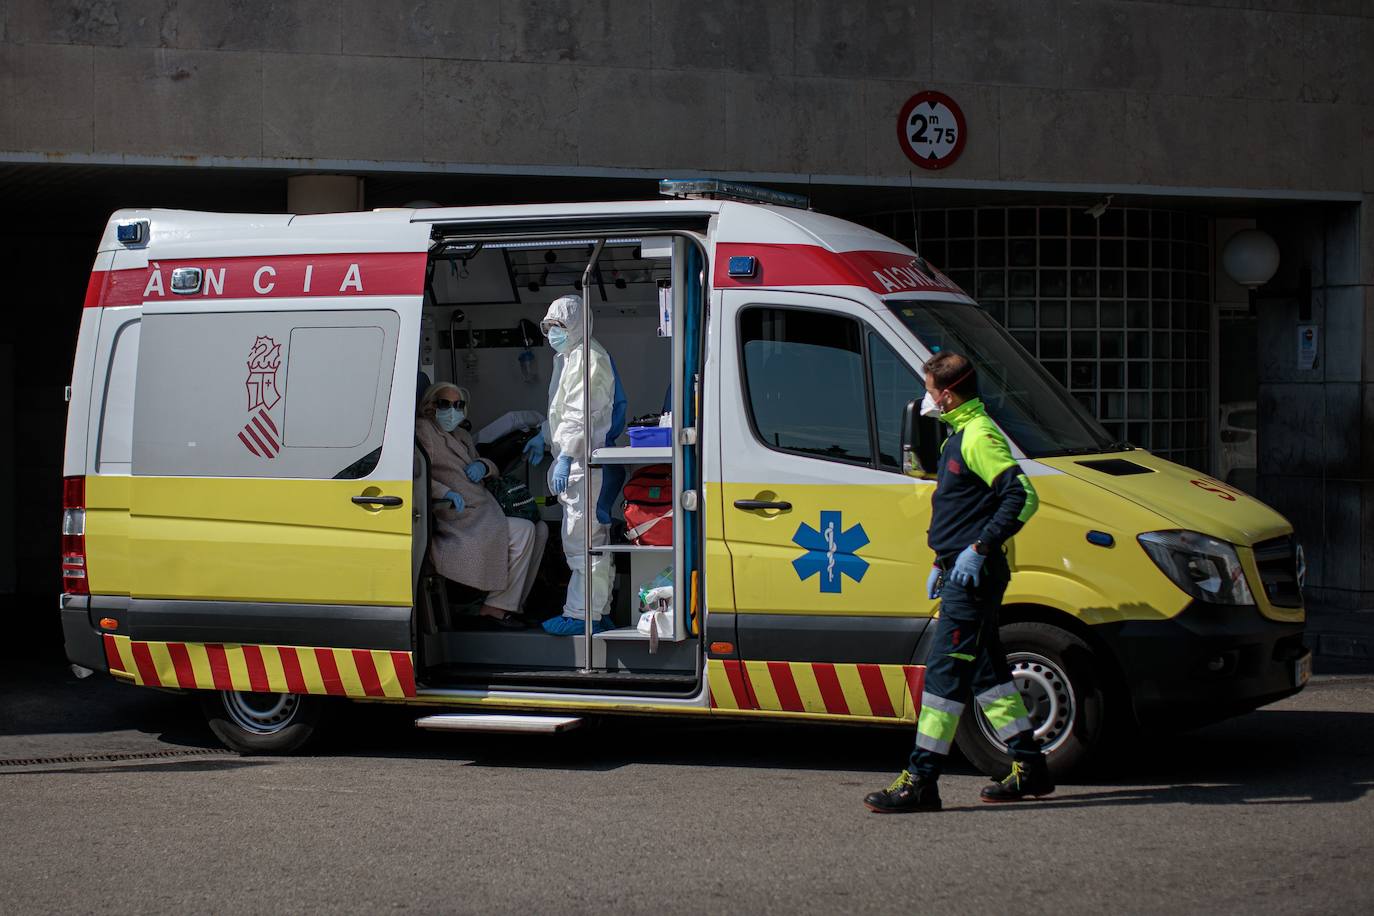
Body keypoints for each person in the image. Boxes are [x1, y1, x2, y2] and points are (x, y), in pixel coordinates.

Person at [865, 350, 1052, 813]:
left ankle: (921, 780)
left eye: (929, 390)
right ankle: (1029, 766)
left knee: (944, 680)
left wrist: (979, 548)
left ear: (947, 395)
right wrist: (944, 558)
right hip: (961, 572)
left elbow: (1022, 498)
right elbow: (966, 508)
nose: (925, 398)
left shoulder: (978, 436)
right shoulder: (960, 434)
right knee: (989, 676)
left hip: (973, 578)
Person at [522, 294, 617, 635]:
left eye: (559, 326)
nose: (552, 333)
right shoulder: (568, 357)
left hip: (583, 463)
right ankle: (597, 610)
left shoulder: (589, 358)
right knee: (590, 541)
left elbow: (582, 415)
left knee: (582, 542)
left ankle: (581, 615)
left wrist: (564, 456)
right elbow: (560, 411)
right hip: (576, 462)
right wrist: (544, 436)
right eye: (548, 326)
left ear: (577, 325)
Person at [416, 382, 547, 629]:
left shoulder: (461, 435)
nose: (452, 410)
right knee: (524, 530)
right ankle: (494, 609)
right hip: (456, 516)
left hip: (481, 510)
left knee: (540, 529)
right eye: (445, 404)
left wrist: (484, 466)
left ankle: (512, 604)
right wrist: (445, 492)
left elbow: (482, 463)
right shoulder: (424, 431)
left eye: (458, 405)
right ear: (431, 405)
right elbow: (416, 475)